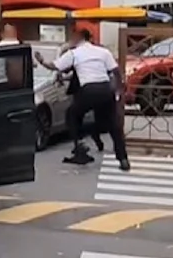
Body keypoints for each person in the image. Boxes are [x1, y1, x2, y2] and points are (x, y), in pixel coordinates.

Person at [34, 29, 130, 169]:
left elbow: (54, 66)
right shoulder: (103, 52)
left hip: (89, 89)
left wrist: (41, 60)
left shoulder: (74, 53)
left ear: (78, 39)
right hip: (105, 89)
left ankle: (79, 148)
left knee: (71, 115)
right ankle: (123, 159)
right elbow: (115, 72)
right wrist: (118, 90)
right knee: (113, 125)